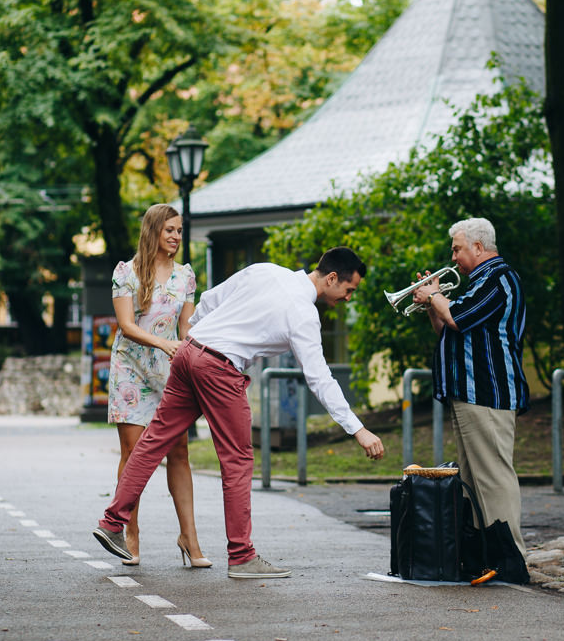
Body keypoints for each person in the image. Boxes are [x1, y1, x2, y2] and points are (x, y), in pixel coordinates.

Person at [93, 247, 385, 578]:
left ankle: (112, 522)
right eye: (349, 290)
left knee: (153, 441)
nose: (348, 298)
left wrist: (201, 340)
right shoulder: (303, 313)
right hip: (220, 367)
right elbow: (319, 378)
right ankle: (242, 556)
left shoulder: (266, 270)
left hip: (190, 351)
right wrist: (358, 429)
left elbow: (209, 300)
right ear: (332, 278)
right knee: (237, 460)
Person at [411, 217, 530, 559]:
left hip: (488, 393)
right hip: (468, 394)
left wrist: (435, 294)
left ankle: (511, 557)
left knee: (492, 477)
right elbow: (449, 329)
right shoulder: (477, 284)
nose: (453, 258)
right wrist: (432, 305)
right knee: (474, 481)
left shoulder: (499, 278)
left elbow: (458, 318)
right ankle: (485, 555)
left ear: (478, 247)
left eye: (457, 249)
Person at [107, 203, 210, 568]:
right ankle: (130, 533)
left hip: (170, 373)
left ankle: (190, 539)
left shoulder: (185, 277)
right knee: (134, 453)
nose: (176, 237)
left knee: (179, 452)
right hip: (131, 370)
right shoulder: (127, 273)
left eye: (180, 231)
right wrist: (164, 344)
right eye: (170, 230)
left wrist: (196, 355)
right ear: (153, 230)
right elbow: (126, 326)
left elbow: (186, 329)